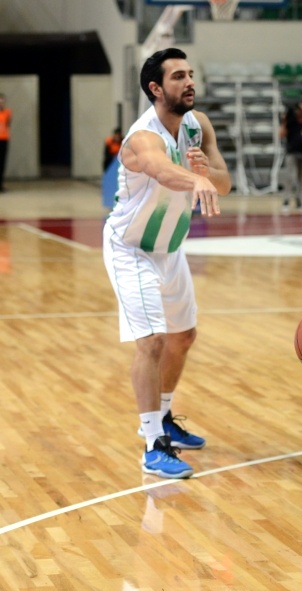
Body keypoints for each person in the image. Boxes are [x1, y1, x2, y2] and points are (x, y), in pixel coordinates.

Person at [103, 48, 231, 479]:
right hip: (131, 248)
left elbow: (224, 183)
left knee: (183, 337)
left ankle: (164, 417)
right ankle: (153, 444)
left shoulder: (199, 125)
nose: (189, 81)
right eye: (178, 76)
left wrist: (207, 173)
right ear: (156, 88)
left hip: (170, 247)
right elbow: (160, 169)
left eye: (190, 73)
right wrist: (195, 178)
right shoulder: (143, 136)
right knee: (153, 342)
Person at [0, 93, 11, 193]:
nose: (1, 103)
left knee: (2, 163)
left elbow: (8, 124)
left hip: (4, 140)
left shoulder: (7, 112)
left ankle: (1, 184)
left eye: (2, 102)